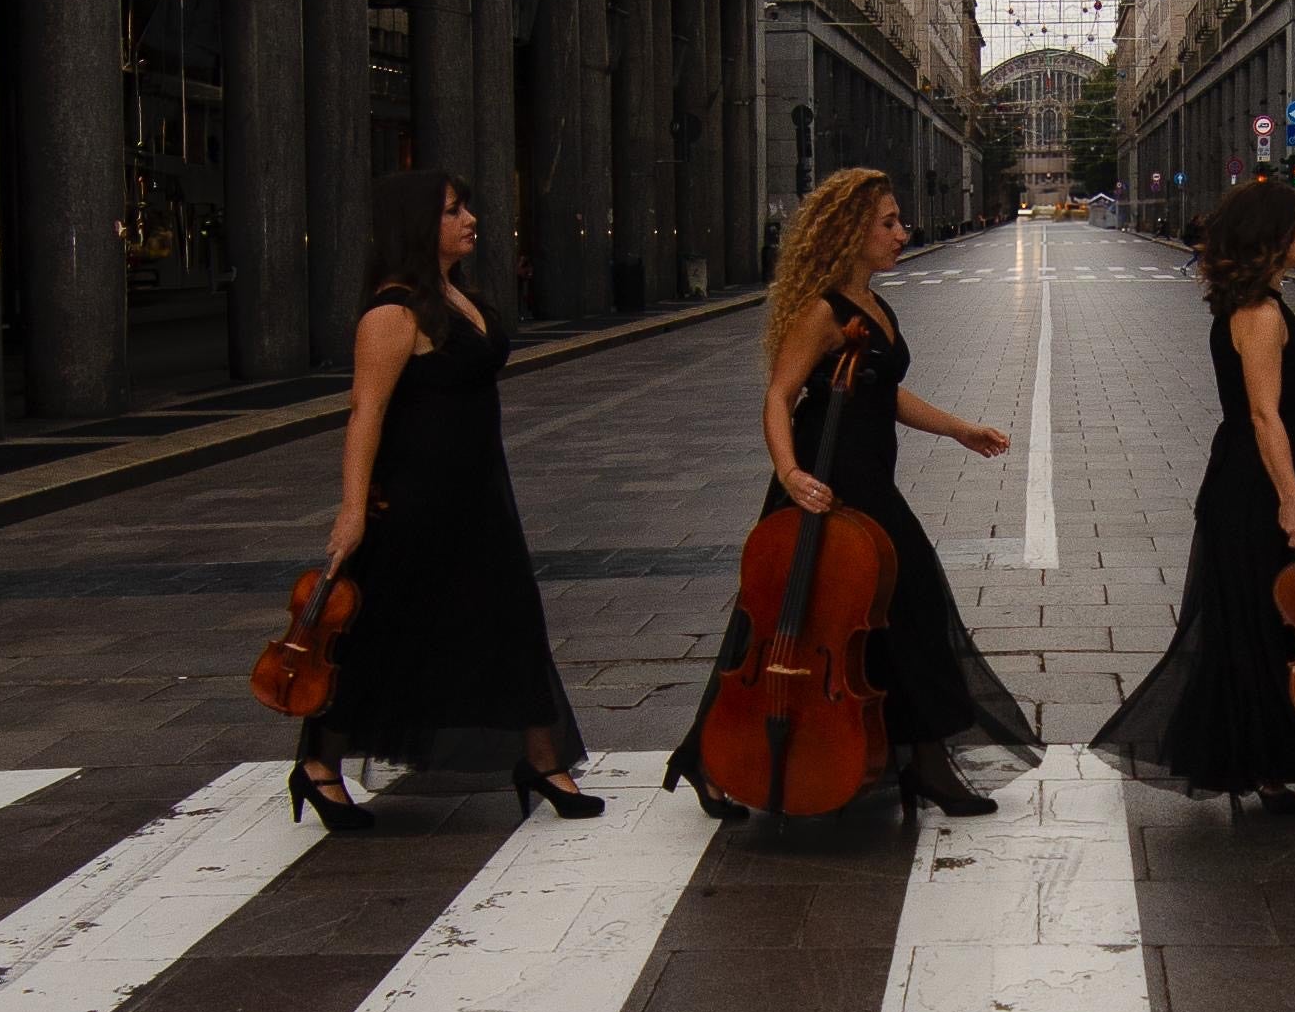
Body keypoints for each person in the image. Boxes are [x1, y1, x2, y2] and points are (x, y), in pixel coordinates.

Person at [670, 166, 1038, 822]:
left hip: (869, 477)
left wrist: (958, 428)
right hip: (826, 479)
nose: (902, 233)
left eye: (899, 221)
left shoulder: (873, 306)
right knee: (801, 622)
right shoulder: (822, 311)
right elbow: (780, 396)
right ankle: (717, 756)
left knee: (869, 615)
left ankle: (912, 756)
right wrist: (789, 474)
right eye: (888, 223)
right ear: (848, 232)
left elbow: (882, 393)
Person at [295, 168, 598, 833]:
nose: (470, 220)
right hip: (416, 502)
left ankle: (542, 762)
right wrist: (352, 510)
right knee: (385, 632)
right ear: (417, 224)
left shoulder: (456, 296)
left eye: (466, 209)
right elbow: (365, 414)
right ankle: (318, 765)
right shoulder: (393, 312)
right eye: (453, 211)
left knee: (513, 620)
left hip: (478, 494)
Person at [1094, 174, 1295, 820]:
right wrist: (1290, 496)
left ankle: (1260, 761)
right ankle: (1262, 762)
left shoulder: (1253, 305)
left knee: (1259, 620)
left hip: (1251, 474)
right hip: (1260, 480)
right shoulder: (1261, 316)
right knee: (1264, 621)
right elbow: (1264, 416)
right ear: (1272, 236)